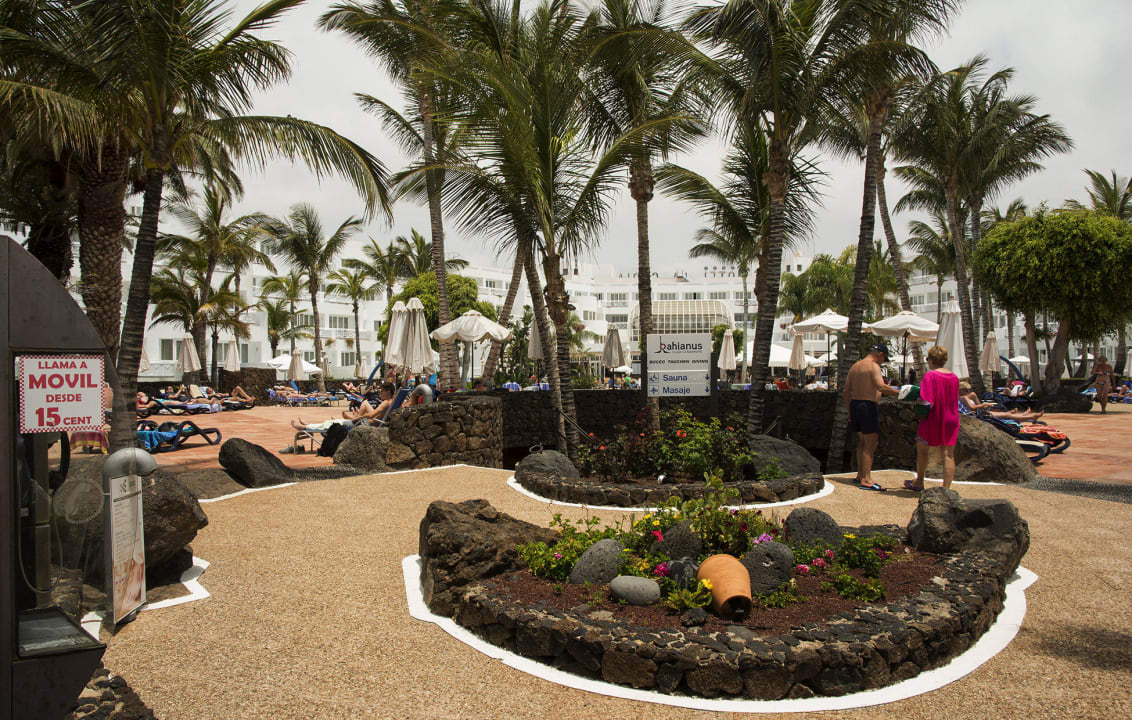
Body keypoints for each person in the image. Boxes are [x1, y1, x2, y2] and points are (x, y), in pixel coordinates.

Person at [844, 344, 900, 490]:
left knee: (862, 442)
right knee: (870, 443)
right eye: (884, 358)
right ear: (880, 354)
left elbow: (847, 390)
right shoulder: (873, 366)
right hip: (867, 406)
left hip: (855, 405)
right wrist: (903, 394)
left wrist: (849, 410)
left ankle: (860, 475)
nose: (883, 362)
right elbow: (881, 387)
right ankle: (867, 479)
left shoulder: (855, 366)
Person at [907, 346, 960, 492]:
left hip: (933, 418)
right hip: (952, 419)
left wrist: (914, 400)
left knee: (922, 448)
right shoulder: (954, 377)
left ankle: (919, 481)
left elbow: (926, 400)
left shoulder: (930, 376)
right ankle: (946, 489)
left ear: (931, 359)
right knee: (948, 454)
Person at [959, 384, 1045, 421]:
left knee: (1007, 414)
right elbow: (972, 408)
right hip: (977, 415)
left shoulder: (965, 397)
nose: (968, 391)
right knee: (1007, 415)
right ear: (962, 390)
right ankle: (1032, 417)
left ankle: (1024, 415)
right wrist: (985, 404)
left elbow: (973, 405)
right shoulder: (963, 397)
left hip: (979, 413)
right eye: (967, 390)